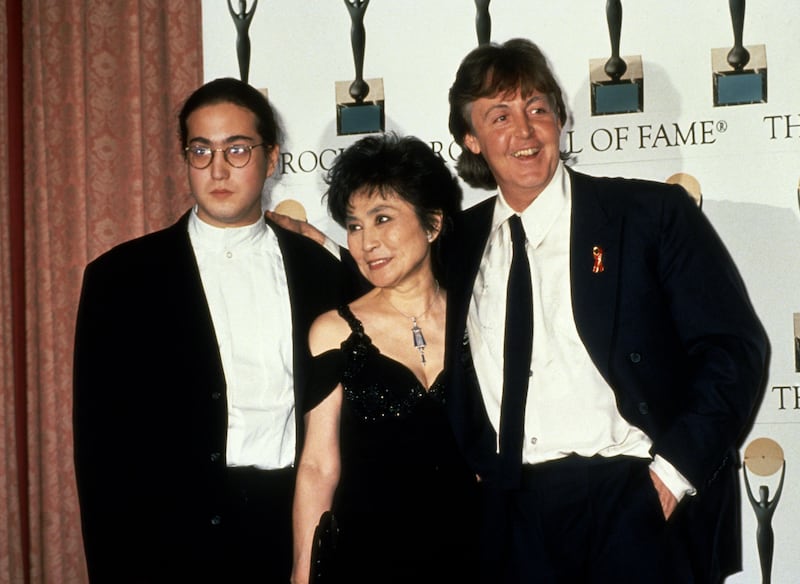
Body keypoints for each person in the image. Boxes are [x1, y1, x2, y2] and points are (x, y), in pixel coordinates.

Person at [443, 38, 768, 583]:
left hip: (632, 499)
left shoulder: (648, 215)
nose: (525, 131)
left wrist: (670, 477)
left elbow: (733, 350)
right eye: (500, 115)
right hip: (512, 516)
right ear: (471, 139)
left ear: (560, 121)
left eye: (538, 108)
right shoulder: (455, 246)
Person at [73, 77, 352, 583]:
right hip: (170, 542)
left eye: (237, 149)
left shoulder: (324, 272)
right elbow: (100, 453)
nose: (218, 169)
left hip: (290, 530)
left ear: (272, 160)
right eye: (201, 150)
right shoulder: (120, 278)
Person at [291, 133, 478, 584]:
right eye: (354, 225)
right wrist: (301, 572)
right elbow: (318, 466)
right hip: (369, 558)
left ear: (433, 224)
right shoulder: (334, 331)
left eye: (382, 219)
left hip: (477, 551)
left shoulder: (482, 315)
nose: (365, 242)